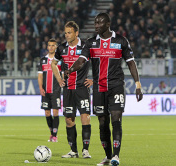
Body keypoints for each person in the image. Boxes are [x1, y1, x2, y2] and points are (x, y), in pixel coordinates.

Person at [65, 13, 143, 166]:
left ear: (108, 23)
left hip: (116, 86)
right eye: (95, 23)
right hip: (99, 88)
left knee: (116, 118)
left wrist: (138, 84)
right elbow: (81, 60)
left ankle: (116, 156)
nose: (96, 26)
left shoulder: (120, 41)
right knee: (102, 122)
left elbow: (131, 63)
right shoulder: (91, 42)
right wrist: (71, 69)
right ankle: (108, 157)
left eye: (99, 23)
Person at [51, 21, 92, 159]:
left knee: (85, 118)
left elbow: (98, 62)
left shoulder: (86, 46)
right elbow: (53, 63)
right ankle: (73, 151)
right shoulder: (62, 48)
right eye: (65, 33)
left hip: (82, 88)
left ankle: (85, 150)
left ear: (76, 33)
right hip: (68, 89)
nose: (67, 35)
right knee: (69, 120)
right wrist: (59, 79)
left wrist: (94, 79)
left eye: (69, 32)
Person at [38, 39, 63, 143]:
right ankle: (52, 133)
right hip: (45, 91)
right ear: (47, 47)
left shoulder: (60, 61)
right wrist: (40, 88)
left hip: (56, 90)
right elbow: (40, 76)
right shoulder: (43, 60)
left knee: (55, 112)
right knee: (47, 113)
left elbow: (63, 74)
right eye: (49, 45)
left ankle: (54, 135)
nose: (51, 47)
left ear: (56, 47)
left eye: (53, 45)